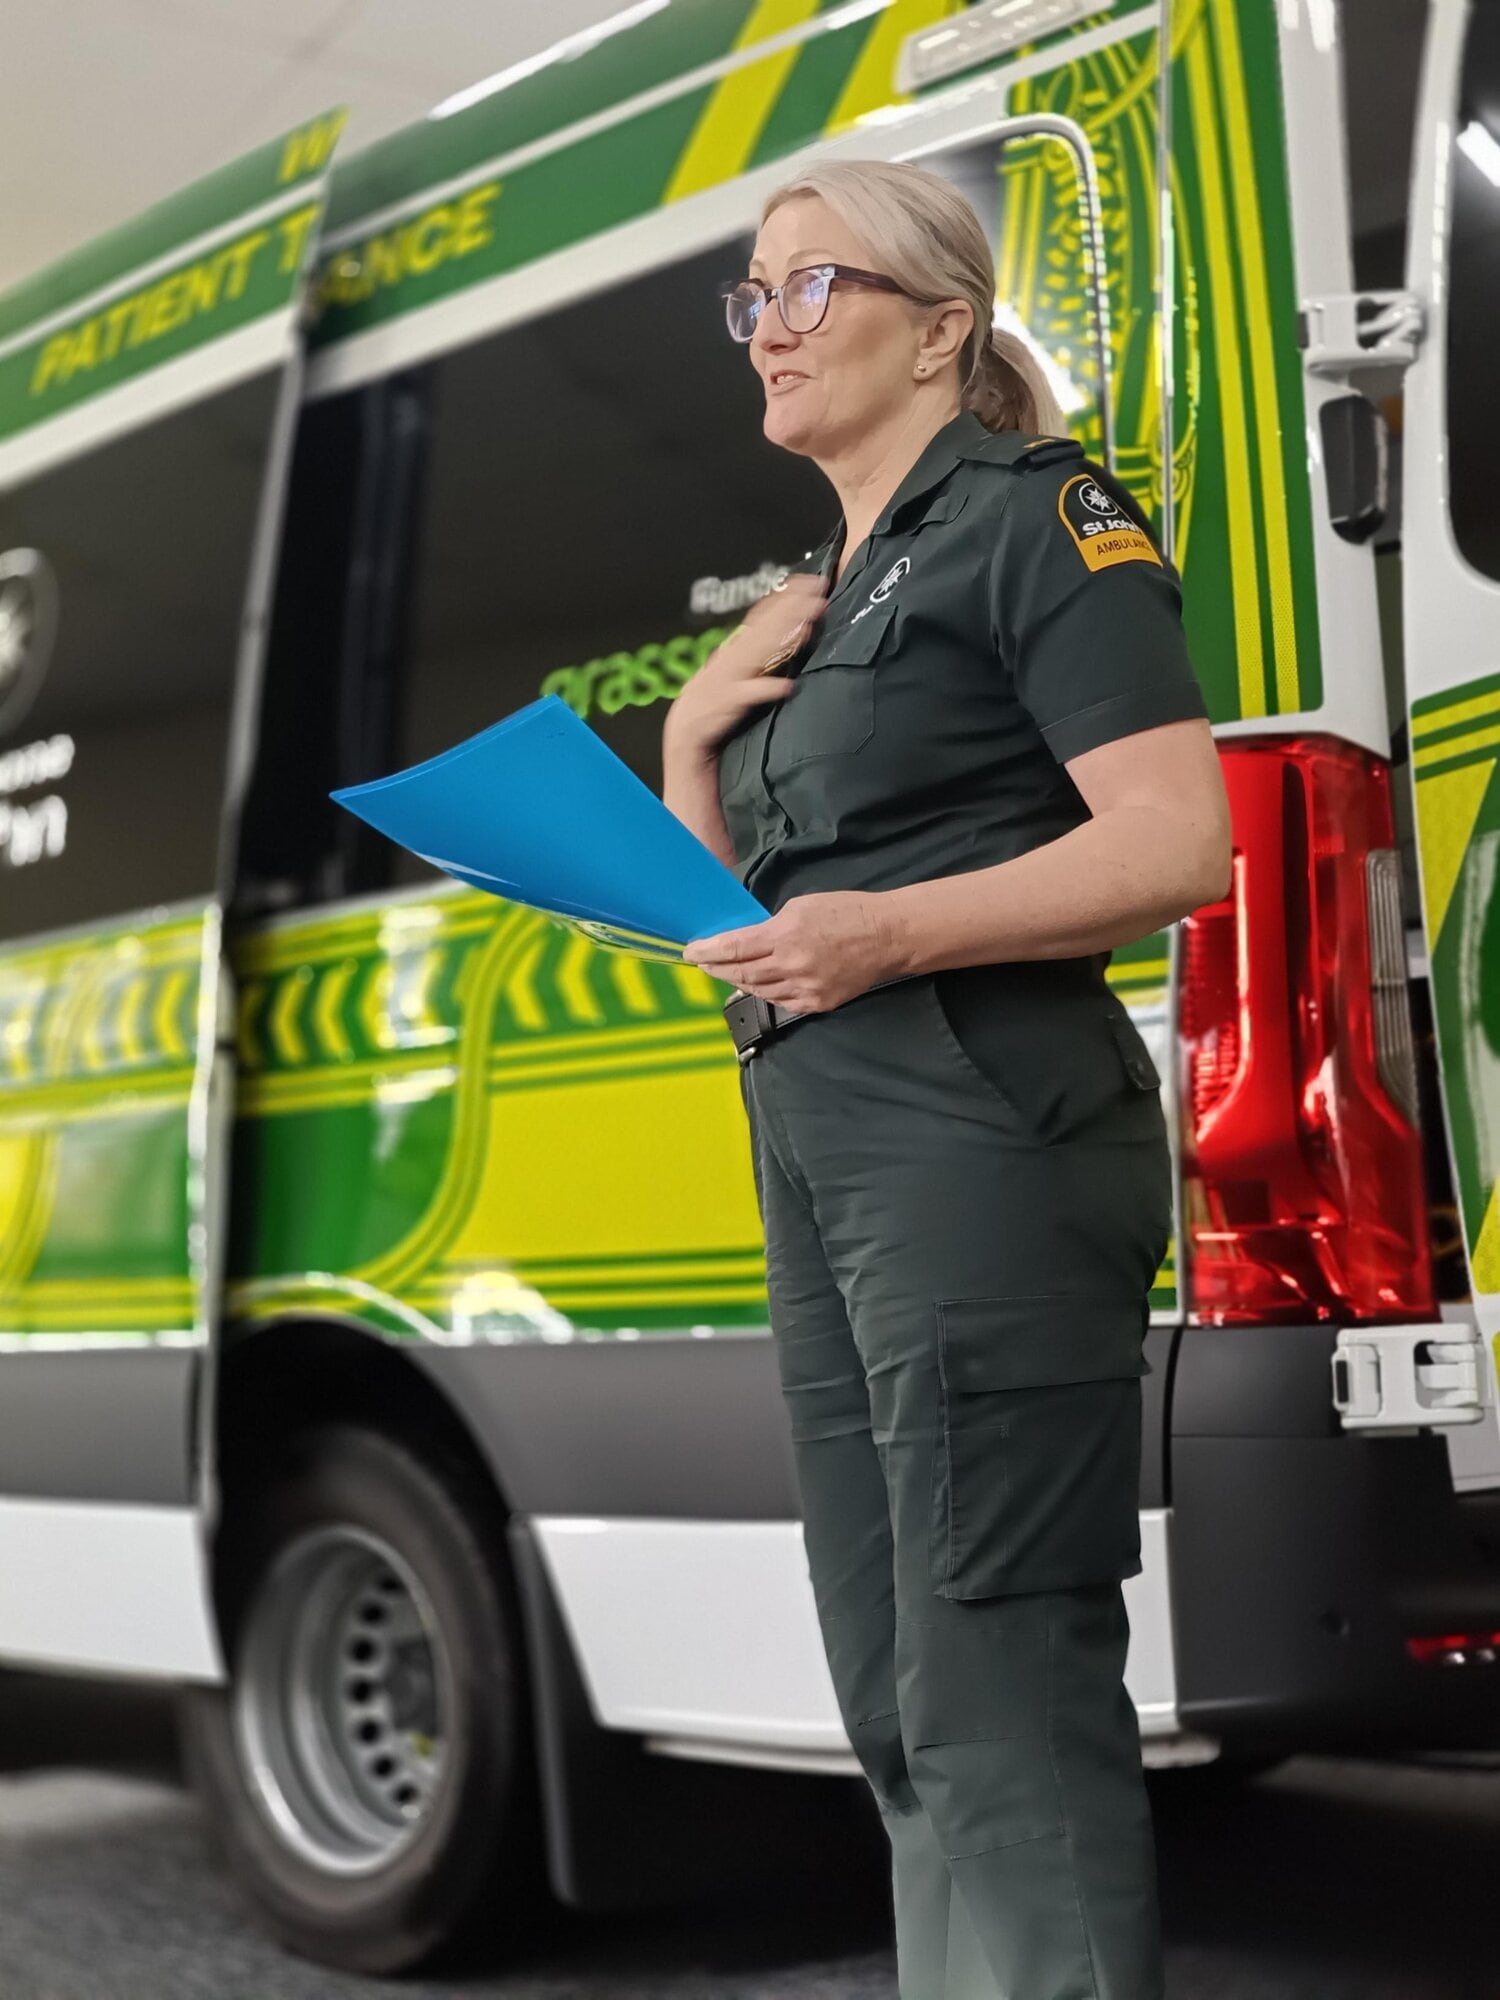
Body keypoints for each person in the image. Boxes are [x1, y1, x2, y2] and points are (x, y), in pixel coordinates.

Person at [661, 158, 1230, 2000]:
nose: (771, 327)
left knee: (1000, 1678)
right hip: (823, 1145)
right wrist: (688, 743)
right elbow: (745, 932)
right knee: (898, 1696)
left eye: (808, 287)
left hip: (979, 1130)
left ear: (941, 325)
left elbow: (1176, 846)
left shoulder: (1035, 516)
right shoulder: (822, 591)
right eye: (750, 297)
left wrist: (882, 934)